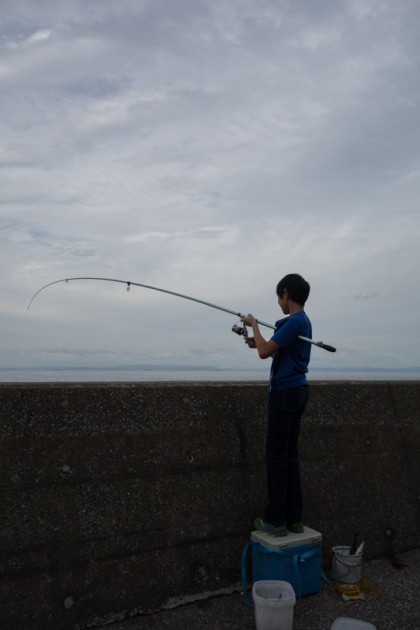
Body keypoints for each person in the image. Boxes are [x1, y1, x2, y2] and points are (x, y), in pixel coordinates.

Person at [241, 273, 311, 536]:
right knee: (290, 455)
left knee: (277, 457)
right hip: (298, 391)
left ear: (285, 294)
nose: (278, 303)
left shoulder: (294, 321)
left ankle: (276, 520)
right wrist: (257, 340)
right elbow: (269, 347)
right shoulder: (303, 323)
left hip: (285, 393)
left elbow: (263, 352)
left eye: (278, 298)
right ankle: (294, 518)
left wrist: (253, 325)